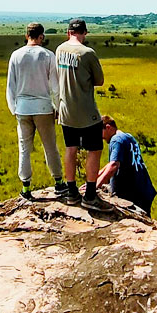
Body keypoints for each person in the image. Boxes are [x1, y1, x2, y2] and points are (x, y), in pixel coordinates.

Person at [6, 22, 64, 201]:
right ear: (41, 37)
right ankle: (59, 183)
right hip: (43, 107)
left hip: (22, 108)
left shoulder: (16, 55)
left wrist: (13, 108)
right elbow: (54, 86)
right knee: (50, 146)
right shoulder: (48, 55)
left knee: (24, 148)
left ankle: (26, 186)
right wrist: (58, 107)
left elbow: (11, 85)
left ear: (26, 36)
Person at [55, 18, 105, 208]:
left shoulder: (59, 50)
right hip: (86, 110)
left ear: (68, 33)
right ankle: (90, 195)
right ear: (84, 33)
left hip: (65, 110)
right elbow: (99, 80)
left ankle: (72, 192)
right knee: (94, 149)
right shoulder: (87, 53)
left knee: (71, 148)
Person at [97, 115, 156, 214]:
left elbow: (114, 165)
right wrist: (97, 176)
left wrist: (94, 186)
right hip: (142, 188)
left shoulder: (116, 140)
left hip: (132, 193)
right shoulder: (127, 137)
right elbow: (114, 163)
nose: (101, 137)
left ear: (108, 127)